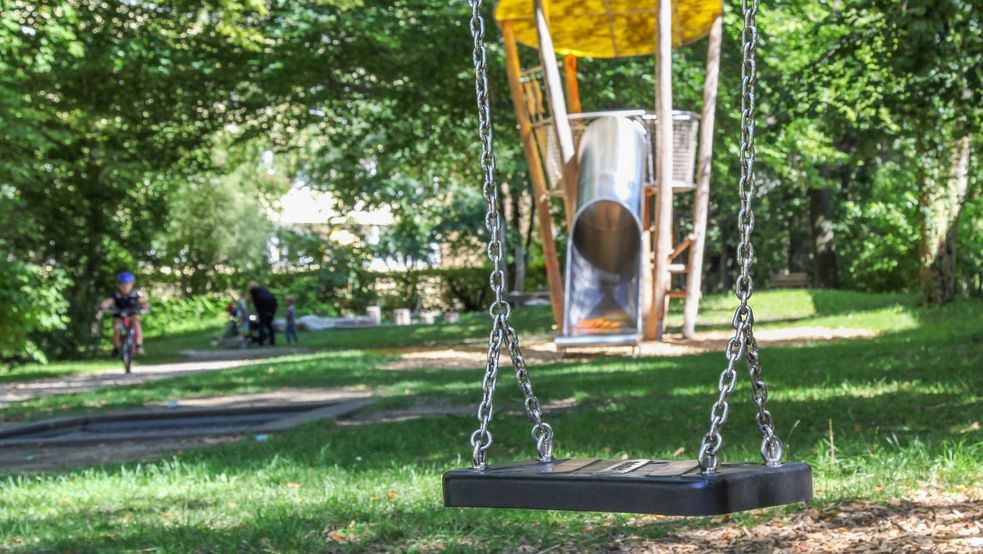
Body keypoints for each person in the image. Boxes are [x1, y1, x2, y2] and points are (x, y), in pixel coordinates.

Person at [99, 271, 149, 357]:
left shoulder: (135, 295)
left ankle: (138, 345)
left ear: (132, 284)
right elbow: (107, 302)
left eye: (127, 284)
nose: (125, 286)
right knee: (117, 328)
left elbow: (143, 302)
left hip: (132, 315)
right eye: (122, 284)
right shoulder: (116, 295)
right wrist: (103, 307)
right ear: (119, 285)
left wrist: (145, 307)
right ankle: (116, 348)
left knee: (137, 324)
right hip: (119, 316)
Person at [247, 281, 278, 346]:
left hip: (264, 307)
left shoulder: (253, 291)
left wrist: (257, 312)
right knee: (269, 324)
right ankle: (272, 341)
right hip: (272, 306)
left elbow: (255, 302)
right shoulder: (263, 290)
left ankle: (261, 341)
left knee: (261, 324)